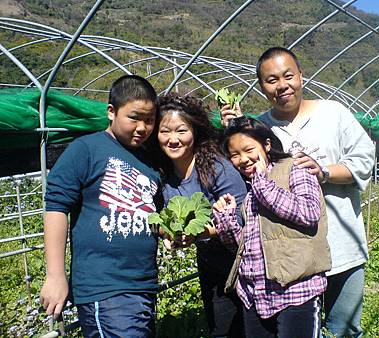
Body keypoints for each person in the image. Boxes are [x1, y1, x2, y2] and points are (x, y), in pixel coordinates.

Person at [221, 47, 375, 338]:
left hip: (341, 247)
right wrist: (235, 128)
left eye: (288, 76)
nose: (282, 85)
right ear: (261, 86)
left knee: (344, 327)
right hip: (290, 264)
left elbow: (364, 159)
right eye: (271, 80)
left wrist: (324, 171)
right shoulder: (262, 128)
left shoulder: (333, 113)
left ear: (301, 75)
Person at [40, 75, 162, 338]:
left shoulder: (150, 163)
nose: (142, 127)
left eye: (149, 119)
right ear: (111, 112)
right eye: (134, 117)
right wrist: (55, 275)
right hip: (105, 288)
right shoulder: (86, 149)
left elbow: (152, 216)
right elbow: (56, 206)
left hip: (143, 285)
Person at [210, 117, 331, 338]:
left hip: (296, 292)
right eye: (234, 155)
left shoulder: (294, 169)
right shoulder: (246, 188)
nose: (243, 159)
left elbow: (309, 212)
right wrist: (226, 219)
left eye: (248, 150)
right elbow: (244, 247)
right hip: (256, 295)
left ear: (266, 145)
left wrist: (264, 186)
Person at [154, 93, 247, 338]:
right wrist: (169, 232)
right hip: (211, 263)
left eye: (181, 131)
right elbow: (156, 217)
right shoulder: (160, 172)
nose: (173, 139)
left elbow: (243, 216)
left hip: (245, 262)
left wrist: (200, 233)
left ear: (195, 131)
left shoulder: (216, 167)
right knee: (220, 331)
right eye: (165, 132)